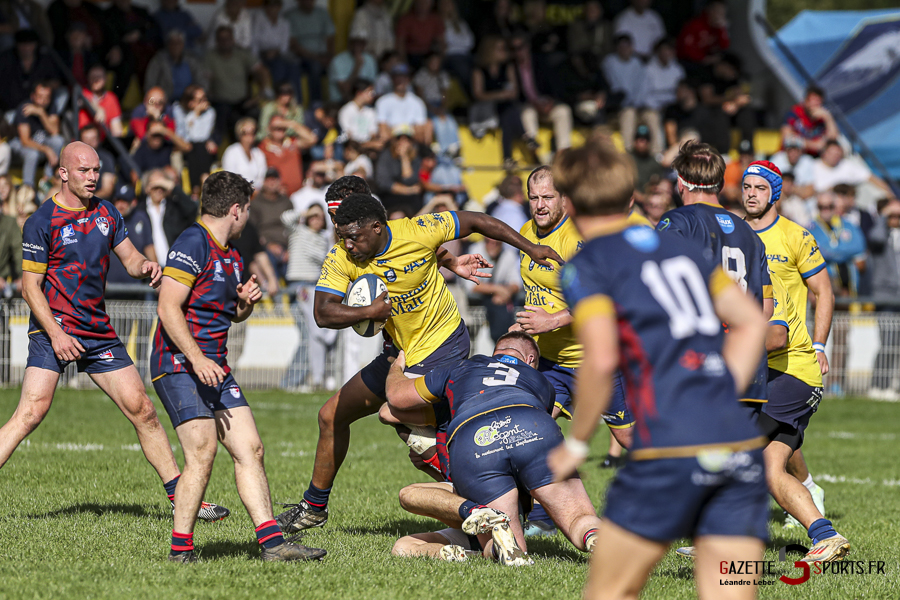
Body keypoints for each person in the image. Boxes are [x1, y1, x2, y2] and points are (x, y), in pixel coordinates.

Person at [548, 140, 771, 600]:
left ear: (568, 202)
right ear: (631, 197)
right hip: (739, 446)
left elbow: (601, 358)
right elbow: (751, 321)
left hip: (669, 448)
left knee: (609, 591)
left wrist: (574, 443)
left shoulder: (587, 265)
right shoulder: (680, 248)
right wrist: (722, 384)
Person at [274, 193, 563, 534]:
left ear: (377, 228)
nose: (348, 245)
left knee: (399, 416)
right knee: (332, 415)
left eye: (354, 237)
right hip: (401, 353)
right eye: (343, 237)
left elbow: (475, 220)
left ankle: (496, 495)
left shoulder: (417, 230)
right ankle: (314, 508)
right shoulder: (342, 255)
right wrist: (370, 312)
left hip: (444, 345)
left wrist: (529, 247)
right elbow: (323, 312)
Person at [0, 141, 228, 522]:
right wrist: (56, 334)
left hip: (97, 333)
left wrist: (145, 267)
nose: (93, 177)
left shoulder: (106, 212)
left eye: (96, 170)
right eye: (84, 171)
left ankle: (181, 498)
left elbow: (130, 256)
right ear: (63, 173)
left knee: (142, 409)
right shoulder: (41, 221)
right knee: (31, 413)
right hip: (53, 332)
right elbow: (29, 288)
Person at [152, 170, 326, 563]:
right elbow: (167, 307)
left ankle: (273, 544)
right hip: (179, 365)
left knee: (252, 448)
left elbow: (228, 315)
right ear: (236, 209)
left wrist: (244, 304)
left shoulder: (231, 254)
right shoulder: (192, 241)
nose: (248, 215)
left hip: (214, 367)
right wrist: (196, 359)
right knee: (202, 452)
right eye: (247, 208)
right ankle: (181, 551)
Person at [385, 332, 603, 562]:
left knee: (503, 542)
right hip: (530, 422)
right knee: (579, 516)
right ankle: (595, 538)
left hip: (474, 436)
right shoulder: (542, 382)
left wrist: (395, 369)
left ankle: (503, 546)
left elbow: (395, 398)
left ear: (494, 353)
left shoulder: (461, 367)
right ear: (530, 360)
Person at [512, 166, 633, 536]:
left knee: (631, 440)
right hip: (551, 363)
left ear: (565, 198)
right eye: (534, 197)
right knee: (536, 428)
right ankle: (548, 516)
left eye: (548, 197)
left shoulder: (578, 238)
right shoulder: (527, 234)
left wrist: (552, 321)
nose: (539, 205)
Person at [740, 161, 834, 524]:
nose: (751, 194)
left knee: (739, 443)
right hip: (756, 356)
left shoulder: (796, 236)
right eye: (746, 187)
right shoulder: (734, 235)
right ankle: (809, 495)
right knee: (767, 451)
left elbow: (823, 292)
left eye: (759, 188)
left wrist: (820, 344)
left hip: (786, 353)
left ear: (774, 193)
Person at [657, 141, 774, 408]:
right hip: (748, 369)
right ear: (720, 185)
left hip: (697, 367)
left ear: (681, 183)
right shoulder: (751, 235)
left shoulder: (677, 222)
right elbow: (765, 309)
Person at [281, 201, 336, 390]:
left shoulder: (323, 238)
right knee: (308, 337)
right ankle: (291, 382)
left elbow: (321, 258)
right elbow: (285, 217)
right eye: (312, 216)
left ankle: (307, 379)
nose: (315, 220)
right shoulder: (298, 231)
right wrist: (305, 211)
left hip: (314, 288)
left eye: (319, 216)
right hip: (298, 288)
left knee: (313, 336)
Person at [204, 25, 272, 141]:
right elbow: (206, 80)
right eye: (221, 39)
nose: (225, 42)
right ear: (217, 41)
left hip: (243, 102)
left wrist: (261, 93)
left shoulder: (242, 54)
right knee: (221, 118)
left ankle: (257, 149)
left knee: (257, 113)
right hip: (220, 102)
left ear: (233, 40)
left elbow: (262, 71)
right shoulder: (210, 57)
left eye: (228, 38)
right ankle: (215, 150)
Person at [868, 199, 900, 399]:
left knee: (896, 344)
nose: (895, 220)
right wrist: (884, 216)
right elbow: (875, 237)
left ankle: (892, 384)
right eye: (893, 216)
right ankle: (879, 386)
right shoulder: (880, 234)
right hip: (886, 295)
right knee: (887, 342)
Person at [139, 168, 199, 267]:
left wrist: (173, 187)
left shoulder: (174, 208)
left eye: (162, 186)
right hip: (148, 270)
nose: (159, 190)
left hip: (174, 267)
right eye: (155, 186)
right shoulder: (140, 210)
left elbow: (192, 210)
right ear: (147, 188)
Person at [11, 81, 65, 189]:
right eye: (40, 97)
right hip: (18, 145)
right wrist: (46, 149)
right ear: (33, 96)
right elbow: (25, 141)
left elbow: (55, 131)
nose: (43, 101)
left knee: (58, 140)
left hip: (40, 144)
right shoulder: (24, 108)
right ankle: (28, 187)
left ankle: (46, 180)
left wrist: (41, 113)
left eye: (47, 97)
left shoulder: (50, 107)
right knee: (32, 154)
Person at [285, 0, 334, 105]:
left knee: (337, 66)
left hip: (322, 54)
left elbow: (330, 37)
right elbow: (294, 45)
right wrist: (317, 58)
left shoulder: (322, 13)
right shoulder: (290, 16)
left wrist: (329, 56)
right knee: (315, 67)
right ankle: (316, 105)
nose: (308, 2)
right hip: (302, 56)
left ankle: (335, 103)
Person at [173, 85, 218, 195]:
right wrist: (195, 114)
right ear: (190, 103)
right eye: (200, 100)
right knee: (195, 147)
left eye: (205, 98)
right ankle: (202, 180)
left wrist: (196, 115)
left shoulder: (210, 112)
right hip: (184, 147)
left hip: (200, 148)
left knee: (200, 146)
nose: (204, 102)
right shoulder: (178, 110)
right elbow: (186, 137)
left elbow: (201, 135)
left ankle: (197, 187)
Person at [252, 0, 301, 101]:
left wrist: (275, 52)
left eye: (276, 6)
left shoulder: (284, 22)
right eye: (270, 6)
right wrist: (258, 59)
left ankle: (296, 101)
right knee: (279, 67)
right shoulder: (258, 21)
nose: (273, 9)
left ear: (280, 7)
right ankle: (278, 99)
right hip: (262, 56)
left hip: (279, 54)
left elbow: (284, 46)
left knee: (294, 66)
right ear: (265, 7)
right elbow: (254, 43)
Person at [251, 167, 294, 279]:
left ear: (279, 181)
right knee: (267, 260)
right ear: (264, 182)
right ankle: (275, 292)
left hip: (286, 246)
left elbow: (294, 227)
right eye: (269, 179)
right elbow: (253, 229)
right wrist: (269, 245)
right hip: (266, 245)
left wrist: (290, 249)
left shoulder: (286, 202)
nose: (272, 182)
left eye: (275, 179)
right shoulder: (256, 203)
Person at [145, 29, 207, 104]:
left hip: (189, 103)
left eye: (179, 43)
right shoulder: (159, 60)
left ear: (183, 45)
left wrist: (197, 98)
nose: (176, 46)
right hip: (165, 103)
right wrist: (153, 102)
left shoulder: (191, 60)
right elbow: (150, 84)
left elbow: (202, 82)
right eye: (173, 43)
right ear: (168, 45)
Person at [375, 63, 432, 145]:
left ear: (408, 79)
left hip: (412, 141)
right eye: (397, 77)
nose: (400, 80)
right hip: (392, 142)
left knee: (428, 124)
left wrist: (406, 141)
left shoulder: (417, 102)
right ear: (392, 79)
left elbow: (420, 129)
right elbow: (383, 128)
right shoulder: (383, 101)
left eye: (403, 77)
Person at [258, 114, 313, 196]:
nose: (280, 129)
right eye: (276, 127)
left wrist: (291, 124)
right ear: (269, 128)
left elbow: (311, 139)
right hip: (277, 196)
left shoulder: (292, 142)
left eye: (282, 126)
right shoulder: (263, 148)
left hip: (298, 194)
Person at [375, 126, 423, 217]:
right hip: (390, 196)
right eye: (399, 138)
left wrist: (404, 157)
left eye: (407, 139)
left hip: (410, 199)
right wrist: (408, 190)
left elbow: (410, 180)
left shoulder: (416, 158)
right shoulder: (386, 156)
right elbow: (384, 182)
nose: (402, 142)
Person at [782, 86, 838, 157]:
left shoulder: (822, 118)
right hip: (791, 156)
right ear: (805, 101)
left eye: (817, 102)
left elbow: (833, 138)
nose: (814, 105)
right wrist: (813, 145)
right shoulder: (794, 113)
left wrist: (828, 117)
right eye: (812, 101)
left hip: (813, 158)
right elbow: (787, 137)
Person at [328, 29, 378, 105]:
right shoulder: (338, 60)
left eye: (360, 43)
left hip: (365, 102)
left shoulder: (370, 60)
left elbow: (372, 87)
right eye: (355, 42)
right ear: (349, 43)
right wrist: (357, 66)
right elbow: (345, 90)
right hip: (341, 102)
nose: (357, 46)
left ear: (365, 44)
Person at [395, 0, 444, 71]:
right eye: (421, 2)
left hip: (428, 54)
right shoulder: (406, 19)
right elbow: (400, 43)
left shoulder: (435, 19)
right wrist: (404, 62)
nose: (423, 4)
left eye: (426, 2)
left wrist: (440, 59)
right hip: (411, 54)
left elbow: (442, 42)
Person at [78, 65, 124, 138]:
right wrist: (98, 109)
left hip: (102, 142)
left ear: (105, 79)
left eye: (99, 77)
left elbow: (116, 126)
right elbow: (88, 100)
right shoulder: (82, 92)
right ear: (88, 79)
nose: (96, 80)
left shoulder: (111, 97)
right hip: (83, 142)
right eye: (93, 77)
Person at [222, 117, 267, 190]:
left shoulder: (258, 153)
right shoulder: (231, 151)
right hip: (236, 194)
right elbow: (229, 178)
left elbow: (262, 177)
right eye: (245, 133)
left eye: (253, 132)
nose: (250, 136)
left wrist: (254, 190)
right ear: (239, 134)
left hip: (256, 194)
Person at [78, 125, 118, 200]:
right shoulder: (74, 158)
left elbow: (107, 190)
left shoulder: (106, 158)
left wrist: (87, 199)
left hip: (96, 200)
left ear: (99, 140)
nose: (89, 143)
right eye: (86, 139)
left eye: (93, 139)